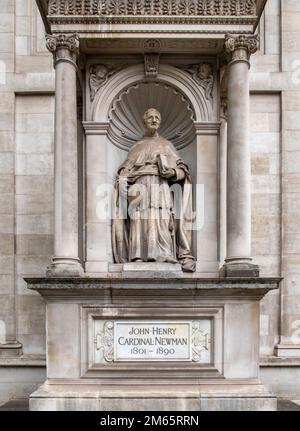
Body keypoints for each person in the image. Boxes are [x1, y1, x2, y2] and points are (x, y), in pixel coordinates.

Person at [112, 108, 196, 272]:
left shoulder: (167, 145)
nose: (154, 119)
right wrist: (124, 175)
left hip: (161, 185)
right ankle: (138, 254)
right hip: (140, 184)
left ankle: (164, 254)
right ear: (144, 121)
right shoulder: (137, 146)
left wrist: (171, 172)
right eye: (150, 117)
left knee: (163, 217)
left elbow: (182, 170)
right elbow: (126, 168)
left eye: (157, 117)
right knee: (140, 218)